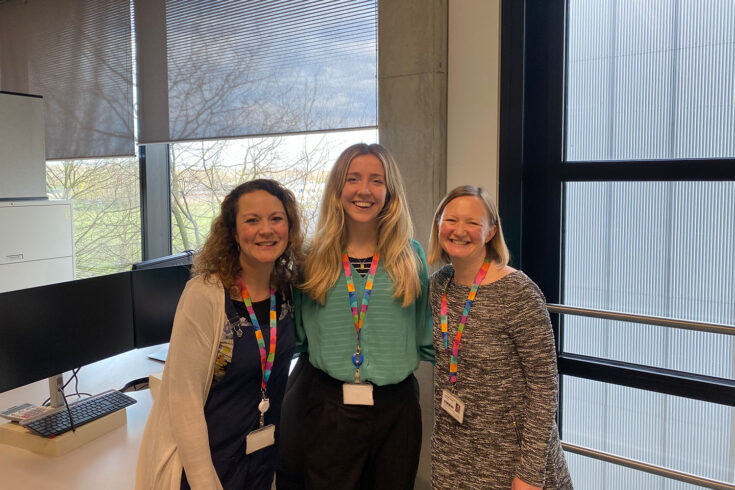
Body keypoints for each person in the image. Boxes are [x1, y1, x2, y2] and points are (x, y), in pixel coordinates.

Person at [280, 143, 433, 489]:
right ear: (338, 188)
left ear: (389, 191)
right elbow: (298, 335)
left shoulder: (411, 257)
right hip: (329, 405)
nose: (364, 190)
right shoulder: (312, 257)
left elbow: (426, 332)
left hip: (397, 409)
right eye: (353, 179)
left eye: (376, 180)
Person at [135, 179, 304, 490]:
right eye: (252, 220)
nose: (266, 230)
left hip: (262, 459)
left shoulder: (287, 290)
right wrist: (203, 482)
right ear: (234, 232)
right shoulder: (206, 294)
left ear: (289, 227)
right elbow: (183, 399)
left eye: (276, 219)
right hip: (209, 464)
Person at [427, 185, 572, 490]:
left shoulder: (517, 293)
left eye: (473, 223)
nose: (460, 230)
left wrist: (530, 473)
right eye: (451, 220)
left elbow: (544, 387)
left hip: (513, 460)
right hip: (453, 455)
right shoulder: (438, 286)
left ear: (491, 232)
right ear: (438, 223)